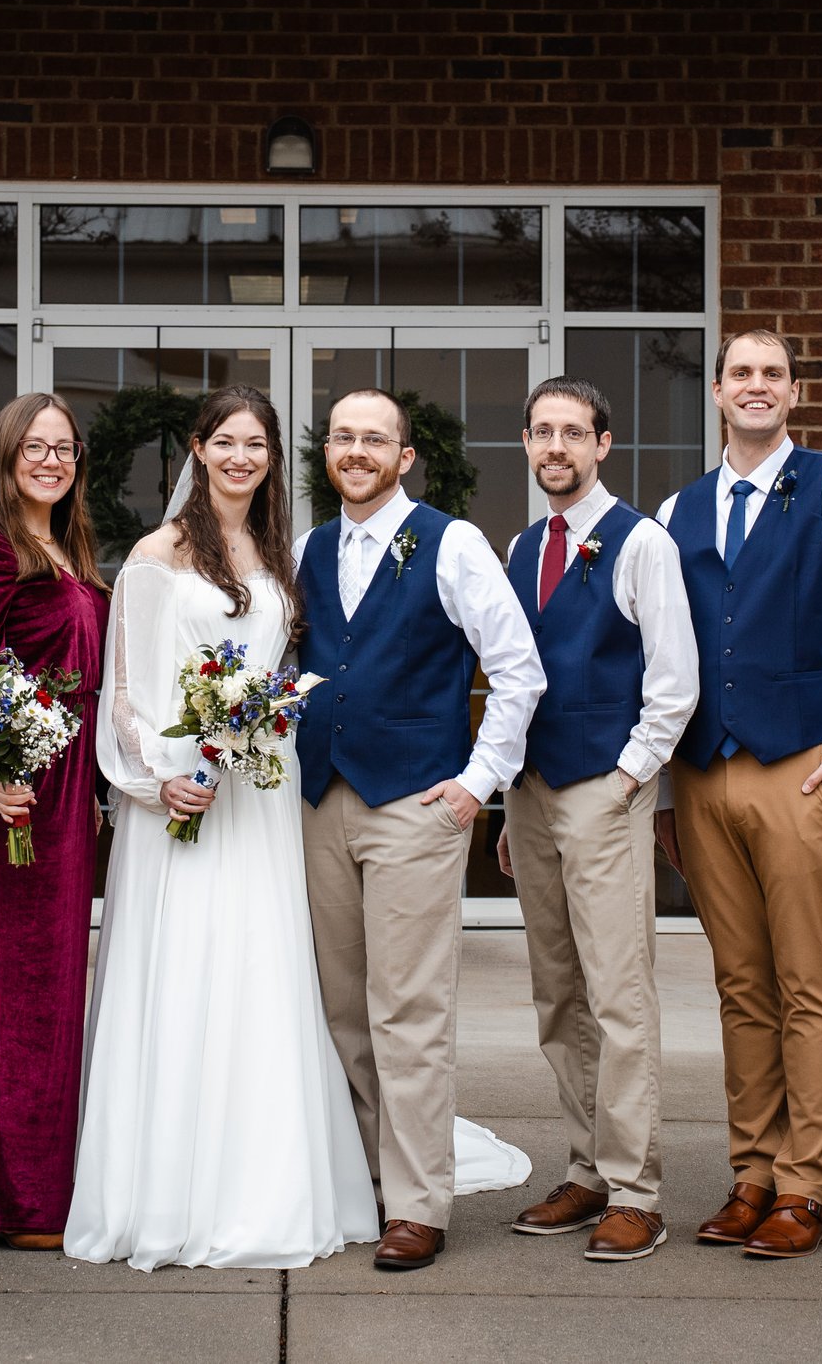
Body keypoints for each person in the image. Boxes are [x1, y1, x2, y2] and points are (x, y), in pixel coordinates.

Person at [67, 385, 379, 1270]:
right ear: (198, 449)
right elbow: (125, 693)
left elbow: (280, 672)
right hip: (183, 797)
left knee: (262, 969)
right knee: (187, 970)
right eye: (227, 442)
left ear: (272, 458)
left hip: (261, 795)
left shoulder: (279, 552)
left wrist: (250, 733)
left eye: (258, 444)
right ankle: (170, 1192)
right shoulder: (156, 555)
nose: (242, 457)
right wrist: (159, 777)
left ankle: (267, 1180)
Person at [654, 330, 822, 1262]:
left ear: (792, 392)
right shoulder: (679, 508)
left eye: (773, 374)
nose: (757, 386)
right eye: (741, 373)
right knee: (740, 983)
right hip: (701, 767)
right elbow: (669, 655)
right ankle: (753, 1170)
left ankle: (807, 1185)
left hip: (800, 760)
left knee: (808, 981)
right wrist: (667, 790)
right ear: (717, 391)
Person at [292, 387, 547, 1272]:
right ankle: (368, 1177)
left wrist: (478, 783)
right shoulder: (308, 549)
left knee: (409, 1010)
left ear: (404, 457)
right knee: (343, 1010)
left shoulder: (453, 542)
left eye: (375, 438)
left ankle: (417, 1202)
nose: (357, 451)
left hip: (414, 804)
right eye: (343, 437)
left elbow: (518, 669)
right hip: (321, 803)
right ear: (328, 452)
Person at [494, 376, 699, 1262]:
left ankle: (635, 1190)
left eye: (573, 432)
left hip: (603, 787)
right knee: (558, 992)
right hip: (533, 790)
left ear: (602, 444)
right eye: (542, 431)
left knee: (618, 993)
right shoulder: (521, 545)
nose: (556, 447)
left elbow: (675, 680)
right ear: (527, 443)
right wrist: (514, 804)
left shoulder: (640, 541)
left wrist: (627, 778)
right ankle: (585, 1168)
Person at [0, 393, 109, 1250]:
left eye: (64, 448)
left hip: (72, 784)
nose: (51, 461)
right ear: (7, 455)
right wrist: (6, 769)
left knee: (57, 985)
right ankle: (12, 1198)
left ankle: (53, 1181)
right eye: (34, 447)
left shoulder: (72, 549)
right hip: (16, 782)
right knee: (15, 987)